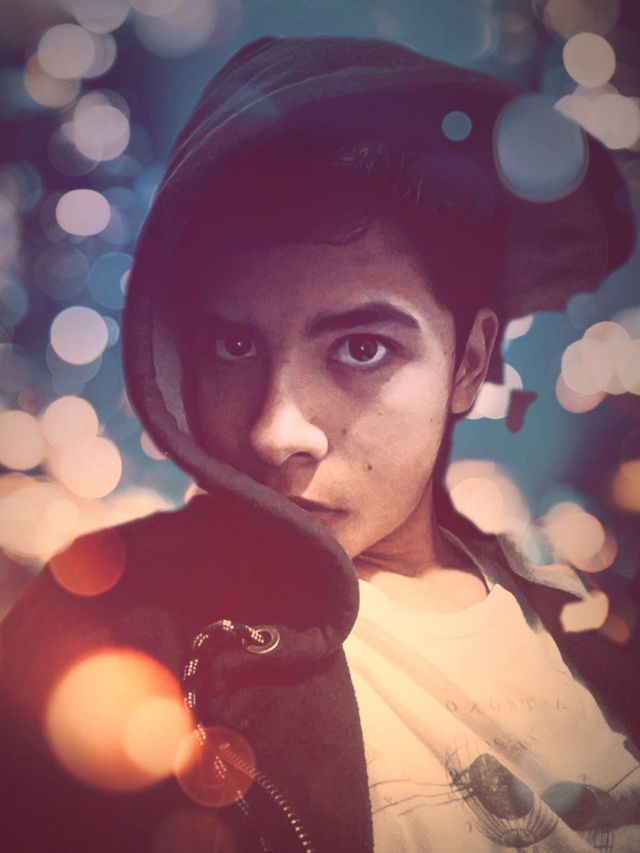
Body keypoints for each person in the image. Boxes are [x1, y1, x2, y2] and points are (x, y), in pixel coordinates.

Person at [1, 35, 639, 853]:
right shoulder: (106, 629)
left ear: (469, 363)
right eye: (232, 346)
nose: (275, 432)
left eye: (361, 348)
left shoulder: (586, 615)